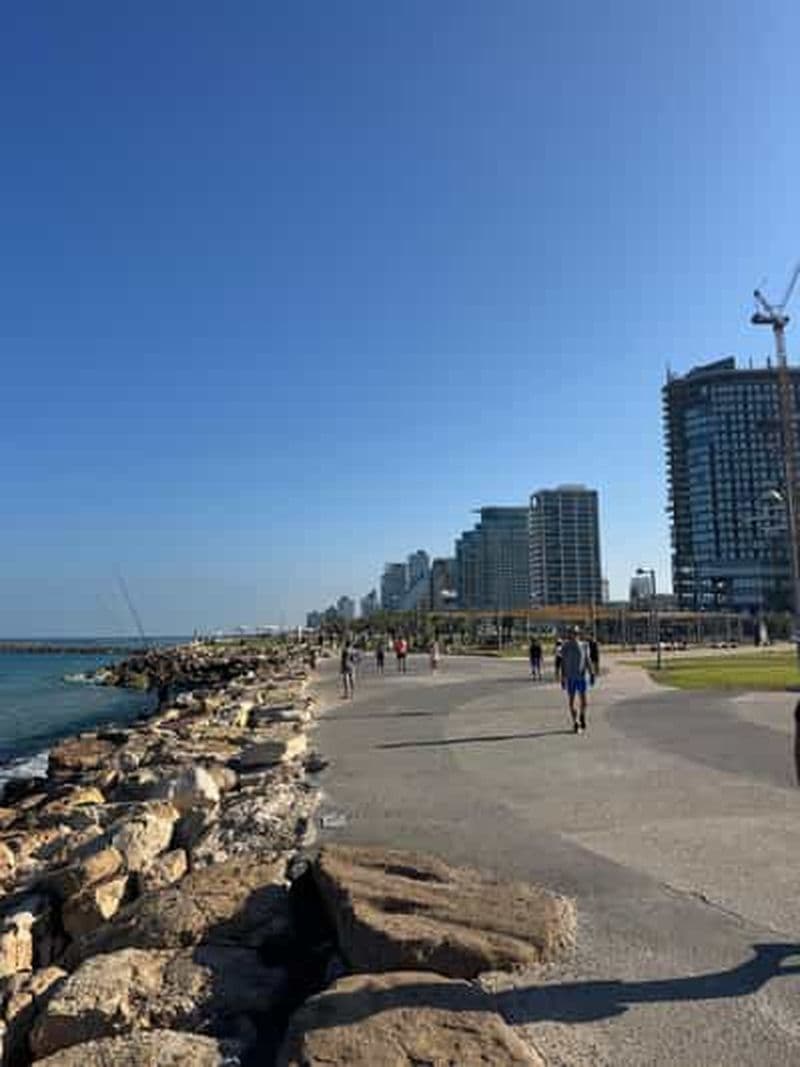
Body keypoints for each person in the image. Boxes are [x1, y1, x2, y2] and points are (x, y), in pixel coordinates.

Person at [560, 626, 595, 733]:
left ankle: (582, 716)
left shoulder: (584, 645)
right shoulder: (565, 647)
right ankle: (575, 722)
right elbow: (563, 663)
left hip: (581, 677)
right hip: (570, 678)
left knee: (584, 701)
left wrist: (592, 673)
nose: (574, 635)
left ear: (579, 634)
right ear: (569, 634)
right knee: (571, 702)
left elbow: (588, 660)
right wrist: (563, 677)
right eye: (572, 633)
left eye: (576, 633)